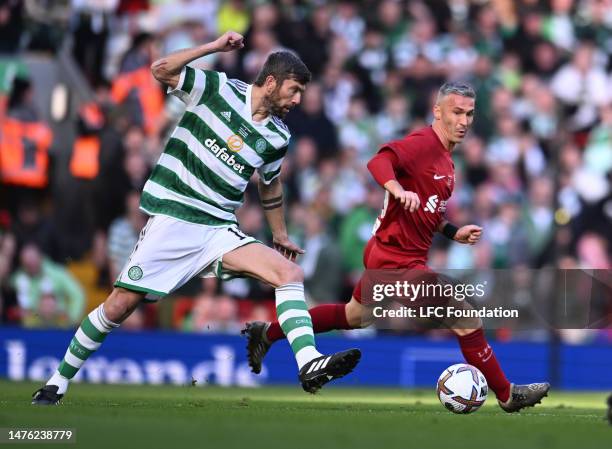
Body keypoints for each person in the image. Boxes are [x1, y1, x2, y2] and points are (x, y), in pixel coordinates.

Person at [32, 31, 360, 405]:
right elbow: (161, 69)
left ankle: (309, 363)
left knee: (289, 274)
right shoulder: (218, 89)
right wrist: (213, 48)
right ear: (270, 82)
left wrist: (280, 234)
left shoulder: (278, 136)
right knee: (119, 305)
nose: (298, 99)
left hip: (218, 228)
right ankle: (57, 381)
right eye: (293, 89)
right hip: (175, 217)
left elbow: (270, 186)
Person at [243, 81, 550, 413]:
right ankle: (506, 394)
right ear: (438, 111)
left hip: (390, 253)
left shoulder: (446, 161)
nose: (463, 121)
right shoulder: (422, 144)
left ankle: (267, 333)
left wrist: (452, 231)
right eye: (456, 112)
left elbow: (430, 210)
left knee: (354, 316)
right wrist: (395, 188)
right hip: (396, 259)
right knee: (465, 317)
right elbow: (379, 162)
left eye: (470, 114)